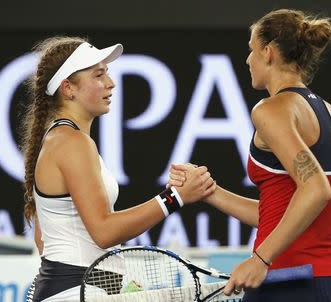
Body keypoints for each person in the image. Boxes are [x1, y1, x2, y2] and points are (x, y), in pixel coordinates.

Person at [168, 9, 331, 302]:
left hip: (290, 283)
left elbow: (316, 189)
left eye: (251, 50)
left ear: (267, 52)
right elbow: (287, 211)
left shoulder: (270, 109)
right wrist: (211, 192)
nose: (247, 60)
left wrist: (260, 259)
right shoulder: (327, 111)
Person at [20, 36, 215, 302]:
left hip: (78, 290)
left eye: (107, 74)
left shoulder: (64, 140)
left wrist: (112, 278)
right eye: (98, 75)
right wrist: (174, 198)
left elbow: (46, 241)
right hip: (75, 292)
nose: (110, 83)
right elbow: (104, 232)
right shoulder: (72, 143)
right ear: (68, 88)